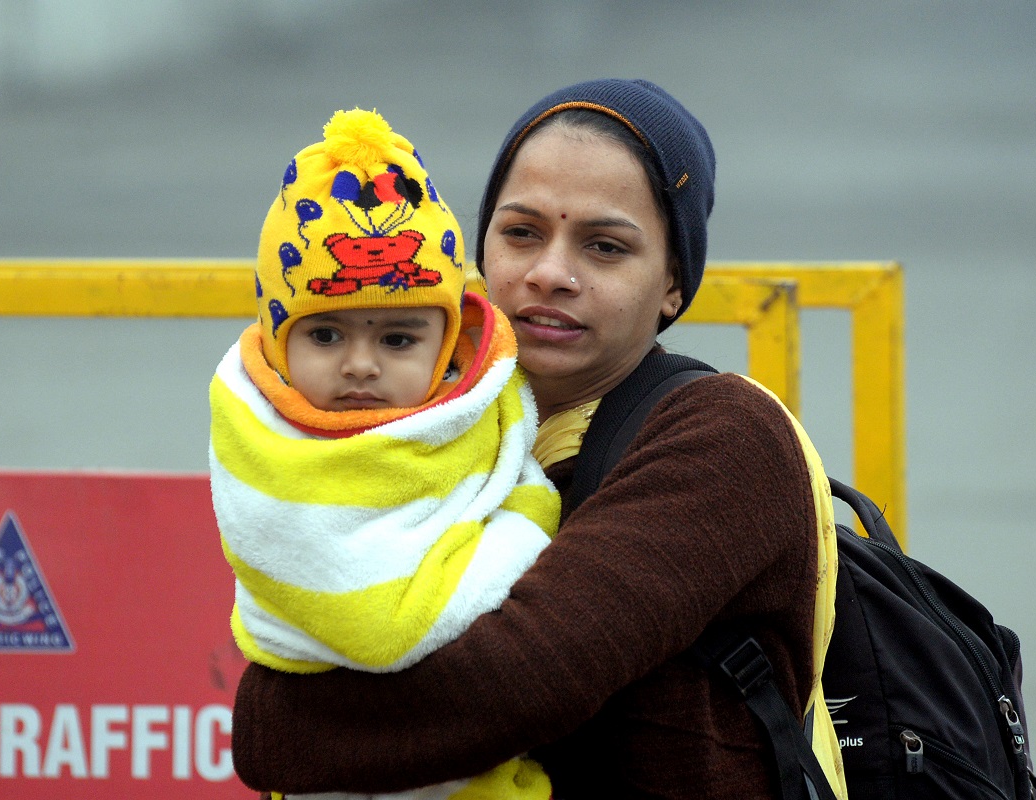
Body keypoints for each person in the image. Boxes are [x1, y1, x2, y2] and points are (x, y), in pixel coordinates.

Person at [228, 80, 849, 800]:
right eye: (521, 232)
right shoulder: (435, 426)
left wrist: (273, 724)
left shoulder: (724, 438)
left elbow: (516, 684)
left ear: (674, 282)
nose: (551, 273)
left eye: (605, 246)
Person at [208, 108, 561, 800]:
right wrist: (525, 530)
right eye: (326, 337)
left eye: (398, 340)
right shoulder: (265, 441)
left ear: (449, 342)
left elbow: (513, 485)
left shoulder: (470, 411)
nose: (360, 367)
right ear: (279, 339)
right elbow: (378, 626)